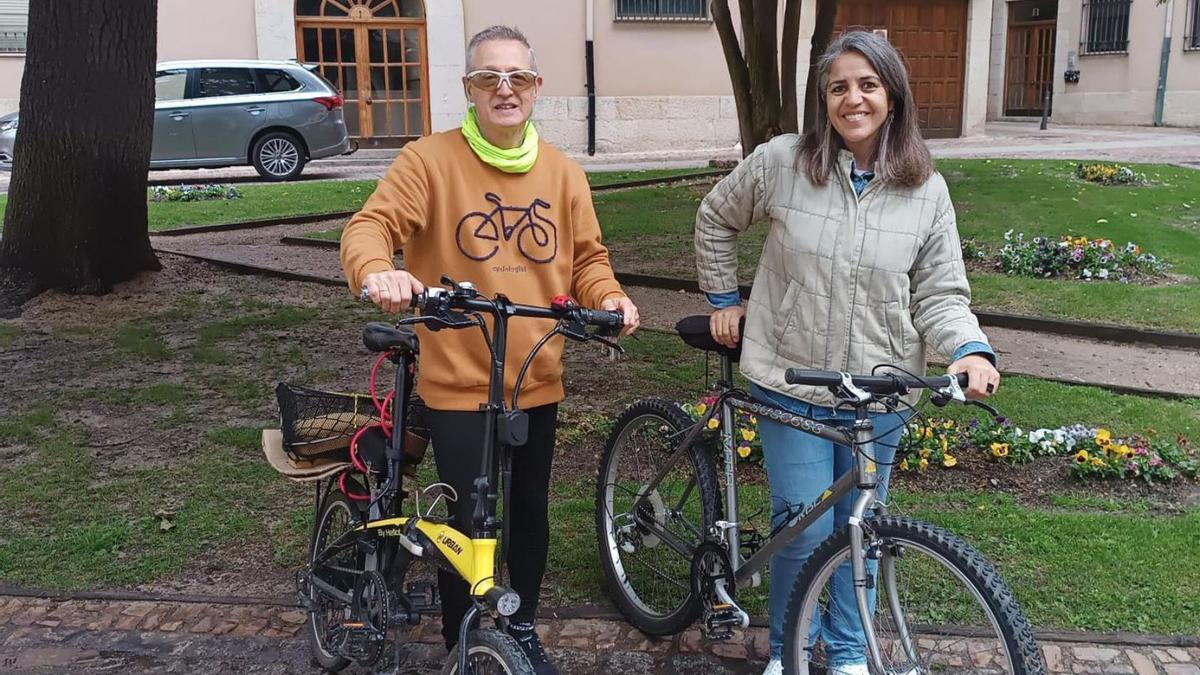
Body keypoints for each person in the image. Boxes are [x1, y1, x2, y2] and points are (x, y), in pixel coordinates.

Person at [694, 31, 999, 675]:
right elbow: (716, 216)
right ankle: (791, 651)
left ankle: (851, 654)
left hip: (881, 392)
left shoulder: (926, 189)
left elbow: (940, 293)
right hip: (791, 382)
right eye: (838, 87)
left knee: (863, 528)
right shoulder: (782, 162)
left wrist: (968, 349)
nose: (852, 99)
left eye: (867, 85)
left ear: (892, 96)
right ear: (822, 98)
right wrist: (724, 298)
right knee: (803, 529)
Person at [340, 24, 640, 675]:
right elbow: (372, 225)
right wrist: (377, 271)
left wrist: (610, 297)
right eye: (488, 78)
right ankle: (464, 637)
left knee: (529, 511)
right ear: (469, 88)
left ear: (535, 87)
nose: (505, 89)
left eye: (518, 77)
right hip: (458, 376)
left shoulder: (562, 173)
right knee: (470, 515)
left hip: (536, 373)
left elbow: (588, 259)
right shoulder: (429, 160)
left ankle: (523, 625)